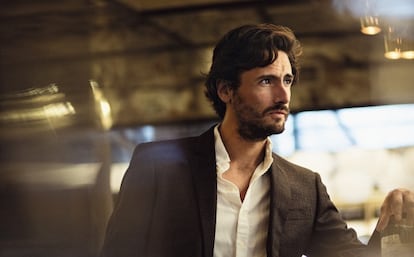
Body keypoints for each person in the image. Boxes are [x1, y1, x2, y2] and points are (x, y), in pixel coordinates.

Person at [100, 24, 414, 257]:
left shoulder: (306, 188)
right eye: (266, 81)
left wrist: (396, 221)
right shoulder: (158, 166)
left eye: (287, 81)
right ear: (226, 91)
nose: (283, 96)